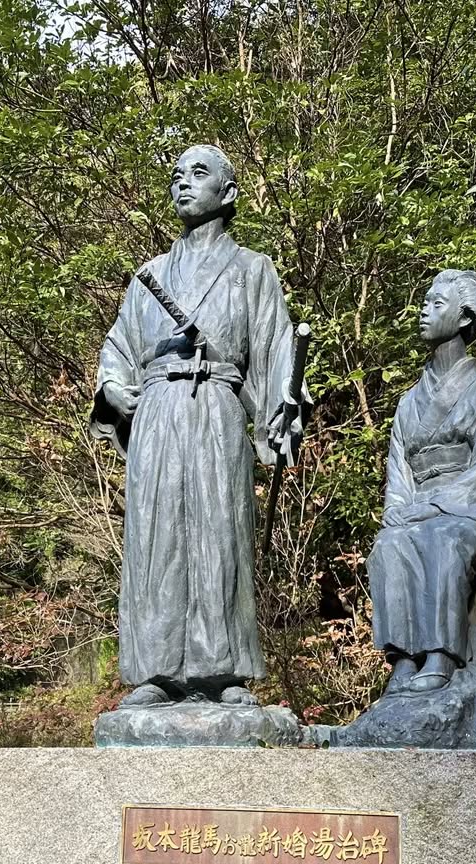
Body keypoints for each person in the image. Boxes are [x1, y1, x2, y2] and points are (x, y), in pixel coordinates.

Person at [90, 144, 307, 707]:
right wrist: (112, 386)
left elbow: (275, 348)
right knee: (155, 534)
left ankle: (221, 672)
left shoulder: (252, 269)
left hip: (216, 404)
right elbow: (118, 347)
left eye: (198, 173)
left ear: (227, 192)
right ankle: (156, 673)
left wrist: (282, 409)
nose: (183, 183)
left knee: (219, 531)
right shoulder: (150, 276)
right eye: (176, 175)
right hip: (158, 409)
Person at [368, 269, 476, 694]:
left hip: (469, 510)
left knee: (444, 539)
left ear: (464, 317)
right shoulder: (408, 403)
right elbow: (399, 468)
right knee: (390, 543)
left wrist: (433, 507)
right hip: (417, 506)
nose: (424, 311)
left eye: (436, 304)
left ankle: (441, 656)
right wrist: (399, 507)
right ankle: (403, 658)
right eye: (424, 302)